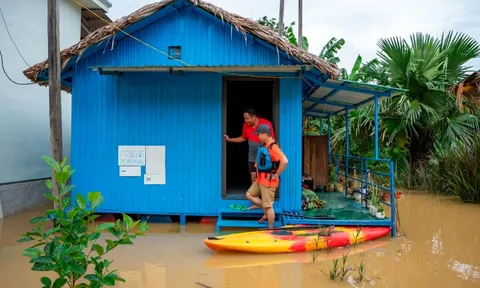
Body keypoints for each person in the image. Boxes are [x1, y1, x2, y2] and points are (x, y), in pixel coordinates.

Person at [224, 108, 275, 210]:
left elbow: (272, 140)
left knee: (265, 178)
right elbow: (243, 138)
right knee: (254, 176)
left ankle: (266, 204)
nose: (245, 121)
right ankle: (256, 201)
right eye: (244, 119)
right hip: (252, 157)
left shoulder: (265, 124)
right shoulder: (246, 126)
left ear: (254, 117)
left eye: (247, 119)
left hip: (264, 157)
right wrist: (230, 140)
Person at [245, 124, 288, 228]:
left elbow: (285, 161)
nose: (257, 137)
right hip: (260, 180)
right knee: (249, 195)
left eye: (259, 134)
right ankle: (265, 211)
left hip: (269, 181)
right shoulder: (262, 146)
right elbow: (257, 163)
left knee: (269, 207)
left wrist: (276, 175)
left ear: (265, 134)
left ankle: (270, 228)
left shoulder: (273, 147)